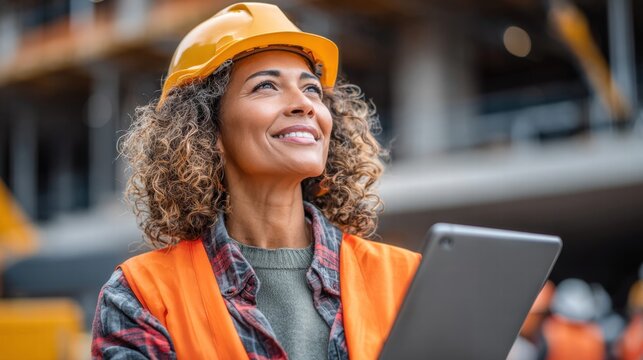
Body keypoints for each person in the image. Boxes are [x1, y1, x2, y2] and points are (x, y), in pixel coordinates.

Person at [91, 3, 420, 359]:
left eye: (311, 89)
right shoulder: (142, 297)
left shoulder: (409, 279)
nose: (304, 105)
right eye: (266, 86)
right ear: (207, 128)